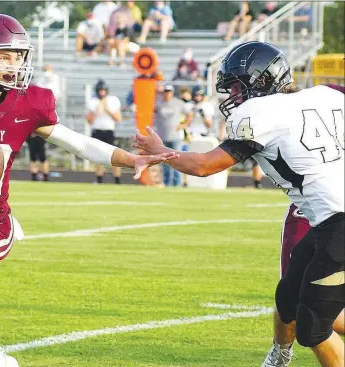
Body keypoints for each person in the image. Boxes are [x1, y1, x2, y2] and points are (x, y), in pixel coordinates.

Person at [0, 14, 177, 367]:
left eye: (19, 56)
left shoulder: (28, 104)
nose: (16, 64)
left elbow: (80, 144)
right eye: (6, 55)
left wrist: (129, 159)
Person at [134, 41, 344, 367]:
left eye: (236, 85)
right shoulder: (328, 94)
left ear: (262, 81)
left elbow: (204, 165)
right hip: (326, 223)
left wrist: (163, 153)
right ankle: (279, 357)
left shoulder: (259, 113)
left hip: (338, 224)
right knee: (287, 299)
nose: (232, 94)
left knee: (312, 328)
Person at [262, 203, 345, 366]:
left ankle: (279, 354)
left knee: (313, 319)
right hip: (308, 210)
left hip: (334, 215)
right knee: (290, 299)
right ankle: (280, 354)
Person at [153, 84, 193, 187]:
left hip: (175, 136)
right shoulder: (158, 103)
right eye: (165, 92)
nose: (167, 94)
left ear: (172, 93)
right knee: (165, 161)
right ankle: (168, 183)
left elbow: (190, 114)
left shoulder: (178, 103)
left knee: (177, 160)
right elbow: (150, 111)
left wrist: (183, 125)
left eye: (169, 92)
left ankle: (177, 183)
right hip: (162, 136)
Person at [86, 80, 123, 184]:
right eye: (100, 90)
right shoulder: (93, 102)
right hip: (97, 131)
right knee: (98, 156)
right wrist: (98, 109)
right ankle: (99, 178)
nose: (102, 93)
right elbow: (89, 120)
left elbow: (118, 118)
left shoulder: (113, 100)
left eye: (103, 90)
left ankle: (117, 179)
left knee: (113, 156)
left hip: (109, 131)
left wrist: (107, 109)